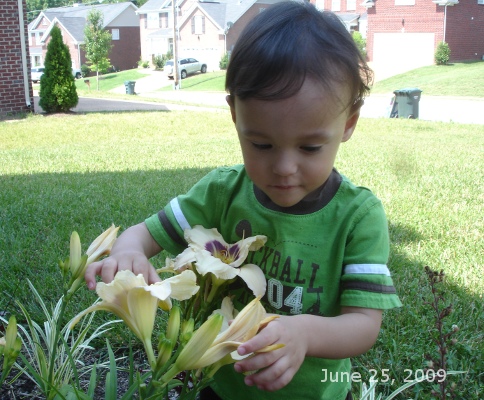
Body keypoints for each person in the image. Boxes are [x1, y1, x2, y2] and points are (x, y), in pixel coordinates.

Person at [85, 2, 402, 399]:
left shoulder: (358, 217)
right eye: (262, 144)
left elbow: (363, 325)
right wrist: (129, 251)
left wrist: (304, 333)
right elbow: (148, 233)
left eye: (310, 147)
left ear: (348, 125)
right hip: (220, 385)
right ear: (235, 116)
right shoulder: (221, 192)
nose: (284, 167)